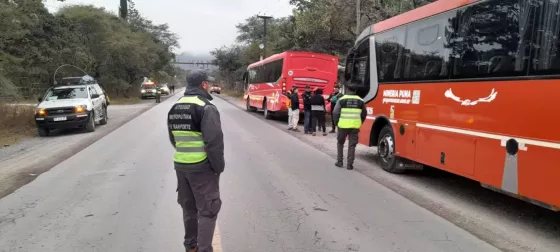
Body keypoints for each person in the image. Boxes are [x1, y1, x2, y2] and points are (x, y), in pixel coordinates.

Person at [167, 70, 225, 252]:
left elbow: (173, 139)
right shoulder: (205, 107)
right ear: (203, 85)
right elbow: (213, 142)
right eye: (208, 83)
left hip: (181, 167)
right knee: (208, 210)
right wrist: (218, 168)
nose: (209, 86)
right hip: (202, 168)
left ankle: (191, 247)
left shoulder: (175, 107)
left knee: (189, 209)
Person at [332, 86, 366, 170]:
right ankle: (349, 165)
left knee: (340, 143)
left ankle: (340, 162)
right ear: (355, 90)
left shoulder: (341, 99)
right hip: (354, 126)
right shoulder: (361, 101)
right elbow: (364, 114)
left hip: (342, 126)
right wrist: (360, 122)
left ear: (347, 90)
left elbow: (335, 112)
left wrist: (337, 123)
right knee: (352, 145)